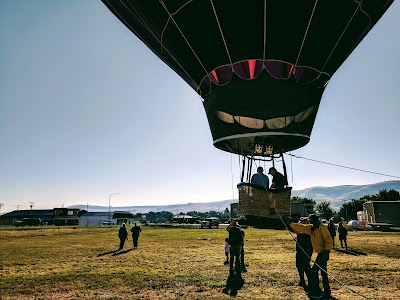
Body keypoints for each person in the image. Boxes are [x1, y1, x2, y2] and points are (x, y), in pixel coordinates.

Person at [290, 214, 333, 299]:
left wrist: (327, 251)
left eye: (311, 220)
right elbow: (301, 227)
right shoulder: (311, 228)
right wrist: (290, 224)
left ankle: (316, 291)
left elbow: (328, 240)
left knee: (314, 271)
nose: (309, 221)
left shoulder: (322, 227)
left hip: (323, 253)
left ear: (314, 220)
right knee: (323, 273)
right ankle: (326, 292)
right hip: (320, 253)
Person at [295, 217, 313, 292]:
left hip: (306, 252)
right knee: (299, 266)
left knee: (306, 267)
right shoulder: (300, 232)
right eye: (301, 222)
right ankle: (302, 280)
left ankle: (310, 282)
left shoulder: (308, 231)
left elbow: (307, 242)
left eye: (303, 222)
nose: (301, 224)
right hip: (299, 252)